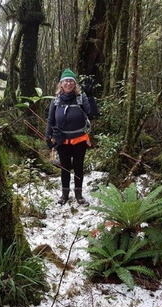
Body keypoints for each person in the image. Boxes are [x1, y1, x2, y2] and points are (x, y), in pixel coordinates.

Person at [45, 68, 99, 205]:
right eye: (65, 81)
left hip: (79, 140)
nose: (68, 83)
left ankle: (79, 195)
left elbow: (93, 113)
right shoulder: (55, 101)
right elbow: (50, 120)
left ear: (74, 84)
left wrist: (90, 96)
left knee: (78, 166)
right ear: (61, 84)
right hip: (62, 141)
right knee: (65, 168)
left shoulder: (81, 98)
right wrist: (48, 137)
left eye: (71, 81)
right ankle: (64, 195)